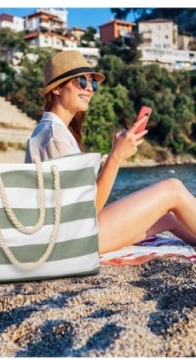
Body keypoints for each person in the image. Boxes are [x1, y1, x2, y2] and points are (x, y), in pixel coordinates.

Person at [25, 50, 196, 254]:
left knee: (166, 217)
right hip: (73, 241)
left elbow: (81, 201)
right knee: (172, 188)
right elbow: (87, 211)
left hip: (69, 235)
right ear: (57, 89)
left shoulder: (52, 131)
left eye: (92, 83)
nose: (90, 89)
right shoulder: (55, 137)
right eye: (81, 81)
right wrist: (116, 157)